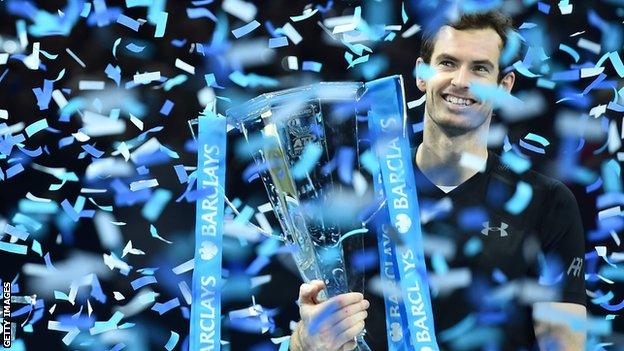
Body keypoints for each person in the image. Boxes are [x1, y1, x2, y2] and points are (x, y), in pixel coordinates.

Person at [289, 10, 586, 351]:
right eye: (447, 63)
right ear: (421, 73)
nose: (461, 80)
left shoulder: (546, 202)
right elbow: (304, 336)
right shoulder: (351, 193)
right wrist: (307, 341)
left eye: (480, 68)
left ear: (504, 86)